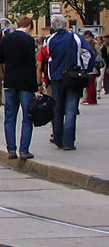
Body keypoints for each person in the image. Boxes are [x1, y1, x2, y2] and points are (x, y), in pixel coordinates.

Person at [46, 15, 95, 150]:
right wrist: (86, 69)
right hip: (73, 77)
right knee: (71, 108)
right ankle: (68, 141)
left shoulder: (50, 40)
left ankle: (58, 139)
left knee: (58, 109)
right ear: (65, 24)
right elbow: (89, 53)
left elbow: (48, 57)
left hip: (56, 78)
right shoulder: (76, 37)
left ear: (53, 26)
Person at [0, 16, 37, 161]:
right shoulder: (29, 41)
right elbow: (32, 64)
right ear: (29, 27)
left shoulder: (7, 39)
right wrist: (35, 87)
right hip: (25, 83)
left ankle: (11, 149)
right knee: (27, 117)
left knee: (10, 117)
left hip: (10, 82)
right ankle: (24, 150)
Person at [82, 30, 99, 105]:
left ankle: (90, 100)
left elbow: (99, 55)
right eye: (85, 38)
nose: (86, 39)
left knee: (90, 84)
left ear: (91, 37)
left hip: (93, 66)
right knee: (90, 84)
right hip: (89, 67)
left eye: (87, 37)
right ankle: (92, 99)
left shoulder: (94, 44)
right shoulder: (86, 45)